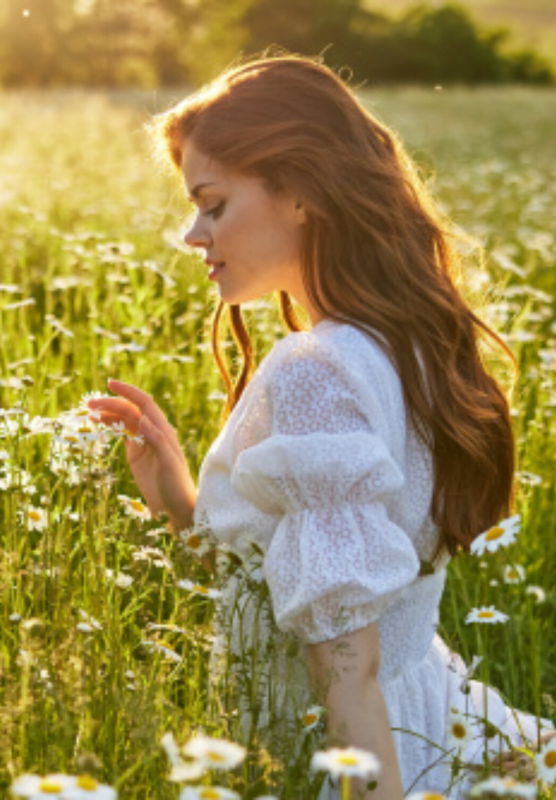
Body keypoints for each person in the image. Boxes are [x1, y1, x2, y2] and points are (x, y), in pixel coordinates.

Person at [87, 55, 554, 799]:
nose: (190, 234)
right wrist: (184, 505)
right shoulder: (407, 345)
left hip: (354, 757)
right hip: (424, 714)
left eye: (213, 205)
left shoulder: (315, 369)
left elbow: (345, 666)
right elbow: (308, 583)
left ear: (299, 193)